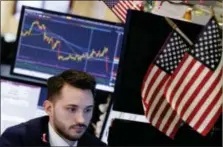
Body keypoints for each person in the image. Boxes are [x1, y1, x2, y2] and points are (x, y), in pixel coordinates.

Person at [0, 69, 107, 146]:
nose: (81, 119)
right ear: (49, 108)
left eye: (87, 110)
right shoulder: (16, 140)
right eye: (72, 109)